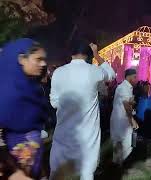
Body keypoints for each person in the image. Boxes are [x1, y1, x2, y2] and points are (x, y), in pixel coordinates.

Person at [49, 42, 115, 180]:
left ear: (71, 53)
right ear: (88, 55)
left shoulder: (58, 72)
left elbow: (54, 102)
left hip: (64, 129)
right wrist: (96, 54)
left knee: (56, 171)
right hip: (88, 131)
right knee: (87, 171)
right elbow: (111, 74)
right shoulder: (94, 71)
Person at [0, 38, 48, 179]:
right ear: (22, 59)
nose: (43, 63)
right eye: (38, 59)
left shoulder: (30, 89)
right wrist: (15, 172)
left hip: (33, 166)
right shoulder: (6, 93)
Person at [110, 69, 139, 165]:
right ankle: (122, 165)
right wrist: (132, 120)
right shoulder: (124, 88)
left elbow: (127, 103)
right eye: (134, 77)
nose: (136, 79)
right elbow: (126, 105)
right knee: (125, 142)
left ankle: (118, 164)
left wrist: (132, 102)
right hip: (121, 120)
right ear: (129, 76)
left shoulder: (127, 88)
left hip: (121, 119)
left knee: (120, 141)